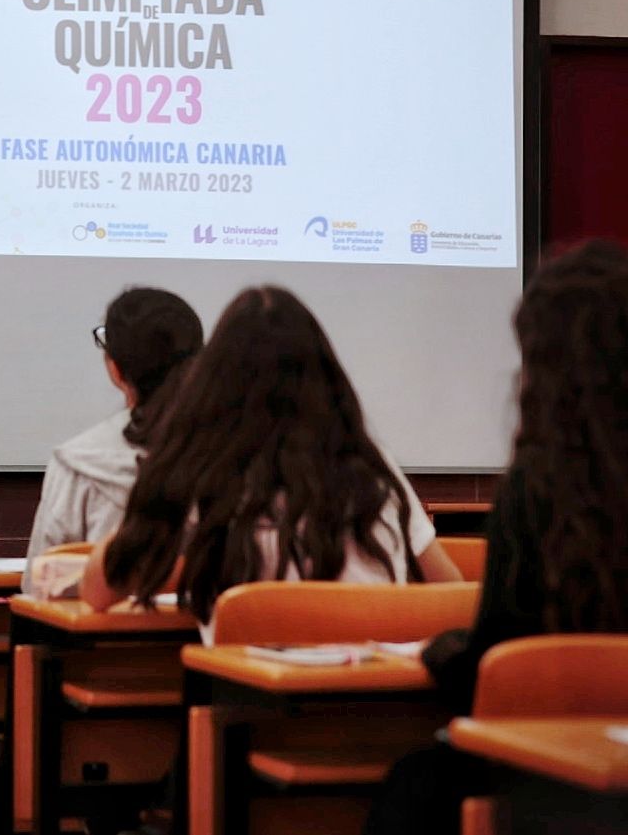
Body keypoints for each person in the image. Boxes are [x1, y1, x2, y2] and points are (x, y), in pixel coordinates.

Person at [364, 239, 628, 835]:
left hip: (553, 774)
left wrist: (444, 650)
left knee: (414, 786)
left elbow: (495, 670)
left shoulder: (542, 493)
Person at [79, 286, 461, 642]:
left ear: (211, 380)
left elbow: (97, 591)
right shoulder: (371, 468)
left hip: (256, 707)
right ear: (327, 377)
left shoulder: (195, 469)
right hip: (386, 701)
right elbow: (451, 592)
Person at [23, 287, 203, 594]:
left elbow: (38, 584)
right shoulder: (235, 454)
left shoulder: (77, 460)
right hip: (208, 638)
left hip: (92, 638)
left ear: (116, 369)